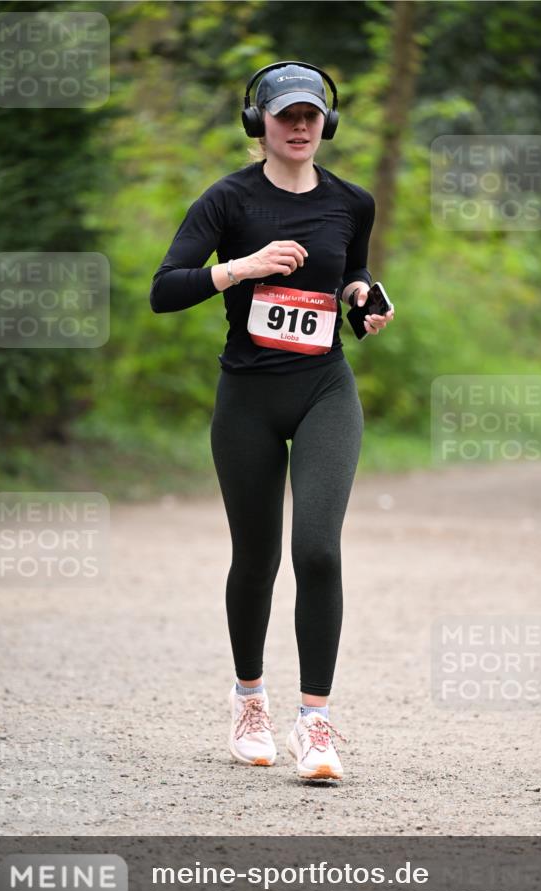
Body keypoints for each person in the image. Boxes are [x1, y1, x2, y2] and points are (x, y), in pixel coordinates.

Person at [150, 62, 394, 781]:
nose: (297, 126)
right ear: (258, 122)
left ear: (327, 123)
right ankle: (248, 700)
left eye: (310, 115)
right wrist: (242, 267)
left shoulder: (352, 201)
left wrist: (363, 299)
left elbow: (348, 275)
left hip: (324, 389)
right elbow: (165, 291)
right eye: (284, 114)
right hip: (247, 399)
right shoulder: (227, 201)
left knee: (316, 548)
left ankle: (314, 724)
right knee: (255, 558)